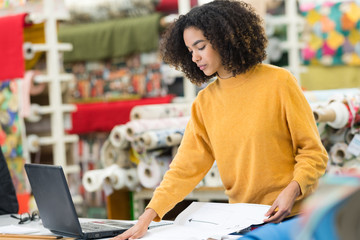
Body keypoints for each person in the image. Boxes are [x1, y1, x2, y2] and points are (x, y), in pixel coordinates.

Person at [113, 0, 328, 239]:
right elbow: (184, 169)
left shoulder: (279, 82)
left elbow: (313, 152)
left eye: (200, 46)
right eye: (189, 51)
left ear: (225, 38)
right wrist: (147, 218)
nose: (194, 57)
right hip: (244, 222)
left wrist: (293, 190)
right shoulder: (205, 102)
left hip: (294, 217)